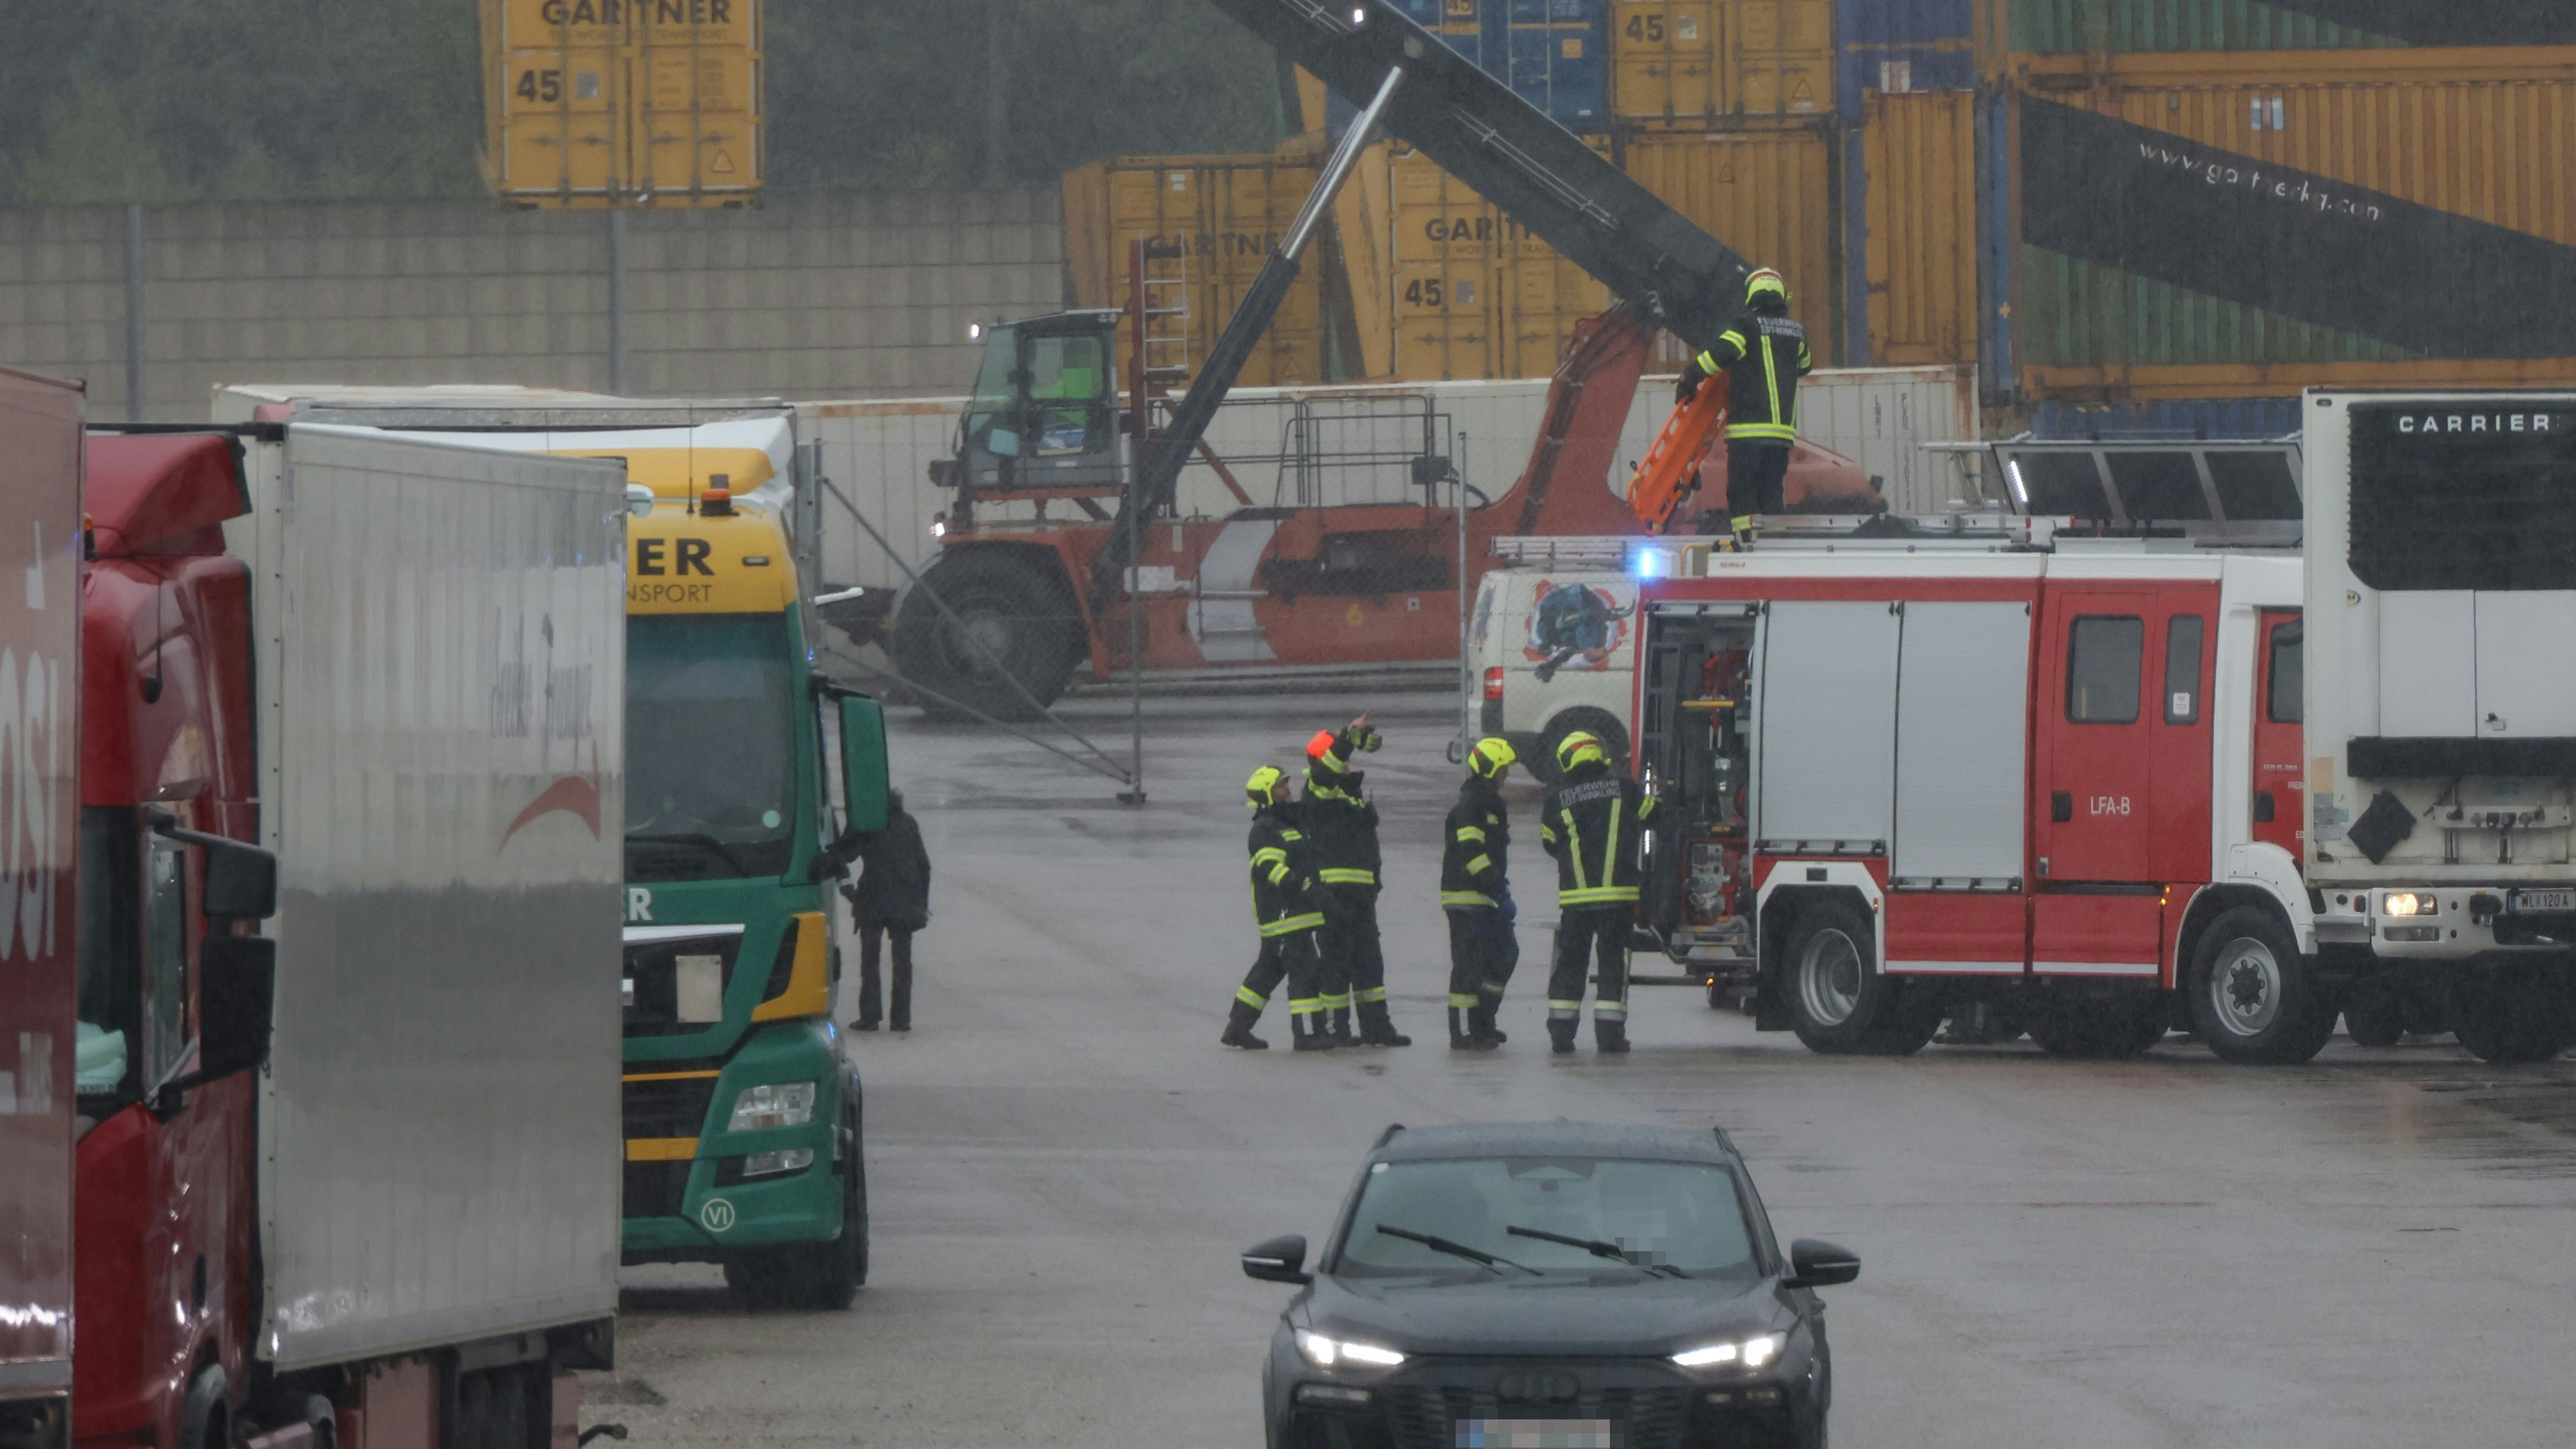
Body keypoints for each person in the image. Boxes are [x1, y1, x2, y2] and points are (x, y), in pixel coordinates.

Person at [1537, 730, 1657, 1055]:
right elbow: (1654, 815)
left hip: (1576, 900)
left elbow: (1550, 843)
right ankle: (1610, 1037)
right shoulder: (1625, 790)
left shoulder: (1557, 800)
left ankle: (1562, 1035)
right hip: (1618, 898)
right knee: (1613, 963)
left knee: (1571, 963)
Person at [1675, 267, 1813, 544]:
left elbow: (1719, 355)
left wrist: (1689, 377)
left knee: (1743, 492)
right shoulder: (1796, 330)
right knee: (1771, 491)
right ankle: (1774, 547)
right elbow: (1805, 366)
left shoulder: (1746, 326)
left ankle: (1746, 546)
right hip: (1781, 436)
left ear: (1752, 293)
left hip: (1748, 433)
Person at [1302, 718, 1411, 1047]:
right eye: (1341, 757)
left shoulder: (1348, 794)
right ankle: (1336, 1030)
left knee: (1369, 962)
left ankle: (1376, 1027)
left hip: (1361, 893)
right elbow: (1327, 773)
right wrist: (1347, 737)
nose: (1347, 763)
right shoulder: (1318, 789)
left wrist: (1374, 884)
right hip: (1334, 895)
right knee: (1336, 962)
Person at [1224, 766, 1337, 1052]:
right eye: (1280, 787)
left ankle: (1237, 1028)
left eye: (1286, 784)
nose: (1287, 790)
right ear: (1266, 795)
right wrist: (1306, 889)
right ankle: (1307, 1035)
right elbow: (1271, 870)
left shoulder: (1287, 824)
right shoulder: (1266, 829)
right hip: (1286, 917)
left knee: (1267, 971)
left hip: (1292, 916)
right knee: (1305, 972)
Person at [1442, 737, 1520, 1050]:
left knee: (1504, 956)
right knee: (1468, 966)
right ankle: (1463, 1032)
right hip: (1466, 898)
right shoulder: (1471, 805)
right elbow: (1472, 853)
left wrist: (1497, 891)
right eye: (1503, 769)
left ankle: (1483, 1021)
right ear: (1489, 769)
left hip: (1486, 896)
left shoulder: (1489, 803)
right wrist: (1496, 889)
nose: (1507, 774)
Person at [848, 789, 931, 1032]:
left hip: (872, 901)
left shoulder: (868, 825)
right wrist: (921, 904)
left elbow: (848, 854)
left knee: (870, 961)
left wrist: (847, 888)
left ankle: (870, 1017)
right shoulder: (909, 824)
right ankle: (901, 1019)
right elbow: (924, 865)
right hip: (903, 904)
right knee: (903, 963)